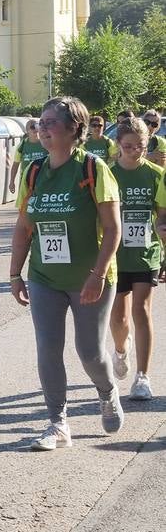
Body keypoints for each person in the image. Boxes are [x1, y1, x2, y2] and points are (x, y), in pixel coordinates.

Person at [9, 96, 122, 452]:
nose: (42, 129)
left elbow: (113, 229)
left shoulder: (92, 168)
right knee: (48, 347)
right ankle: (57, 422)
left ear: (75, 129)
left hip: (91, 276)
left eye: (51, 123)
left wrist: (97, 274)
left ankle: (106, 392)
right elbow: (23, 227)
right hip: (45, 276)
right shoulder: (34, 171)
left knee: (90, 352)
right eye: (41, 122)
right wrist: (15, 274)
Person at [107, 118, 166, 400]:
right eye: (128, 146)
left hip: (146, 251)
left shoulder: (156, 174)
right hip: (116, 255)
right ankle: (120, 349)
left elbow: (162, 216)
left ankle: (143, 377)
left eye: (140, 146)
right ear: (118, 144)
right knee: (118, 317)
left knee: (141, 310)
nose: (134, 151)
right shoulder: (106, 173)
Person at [9, 119, 48, 196]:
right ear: (27, 131)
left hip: (42, 180)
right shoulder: (22, 145)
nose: (36, 129)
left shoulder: (46, 143)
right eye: (33, 127)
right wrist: (12, 181)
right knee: (24, 206)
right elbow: (15, 164)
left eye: (38, 126)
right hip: (26, 182)